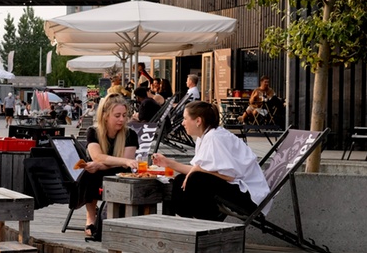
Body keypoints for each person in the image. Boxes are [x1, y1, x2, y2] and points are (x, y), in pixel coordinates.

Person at [153, 101, 270, 221]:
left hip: (249, 197)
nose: (182, 123)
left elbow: (228, 176)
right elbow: (202, 169)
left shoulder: (214, 138)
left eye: (185, 119)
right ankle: (189, 222)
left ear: (198, 121)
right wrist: (167, 163)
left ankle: (207, 224)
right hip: (237, 189)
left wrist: (197, 169)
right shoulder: (205, 136)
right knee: (180, 180)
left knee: (195, 179)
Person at [80, 94, 139, 240]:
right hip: (99, 171)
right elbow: (97, 156)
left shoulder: (130, 134)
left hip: (119, 171)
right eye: (117, 115)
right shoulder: (93, 132)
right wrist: (103, 164)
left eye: (124, 115)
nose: (122, 119)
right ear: (106, 116)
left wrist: (101, 165)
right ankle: (91, 217)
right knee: (89, 174)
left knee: (116, 171)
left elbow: (127, 160)